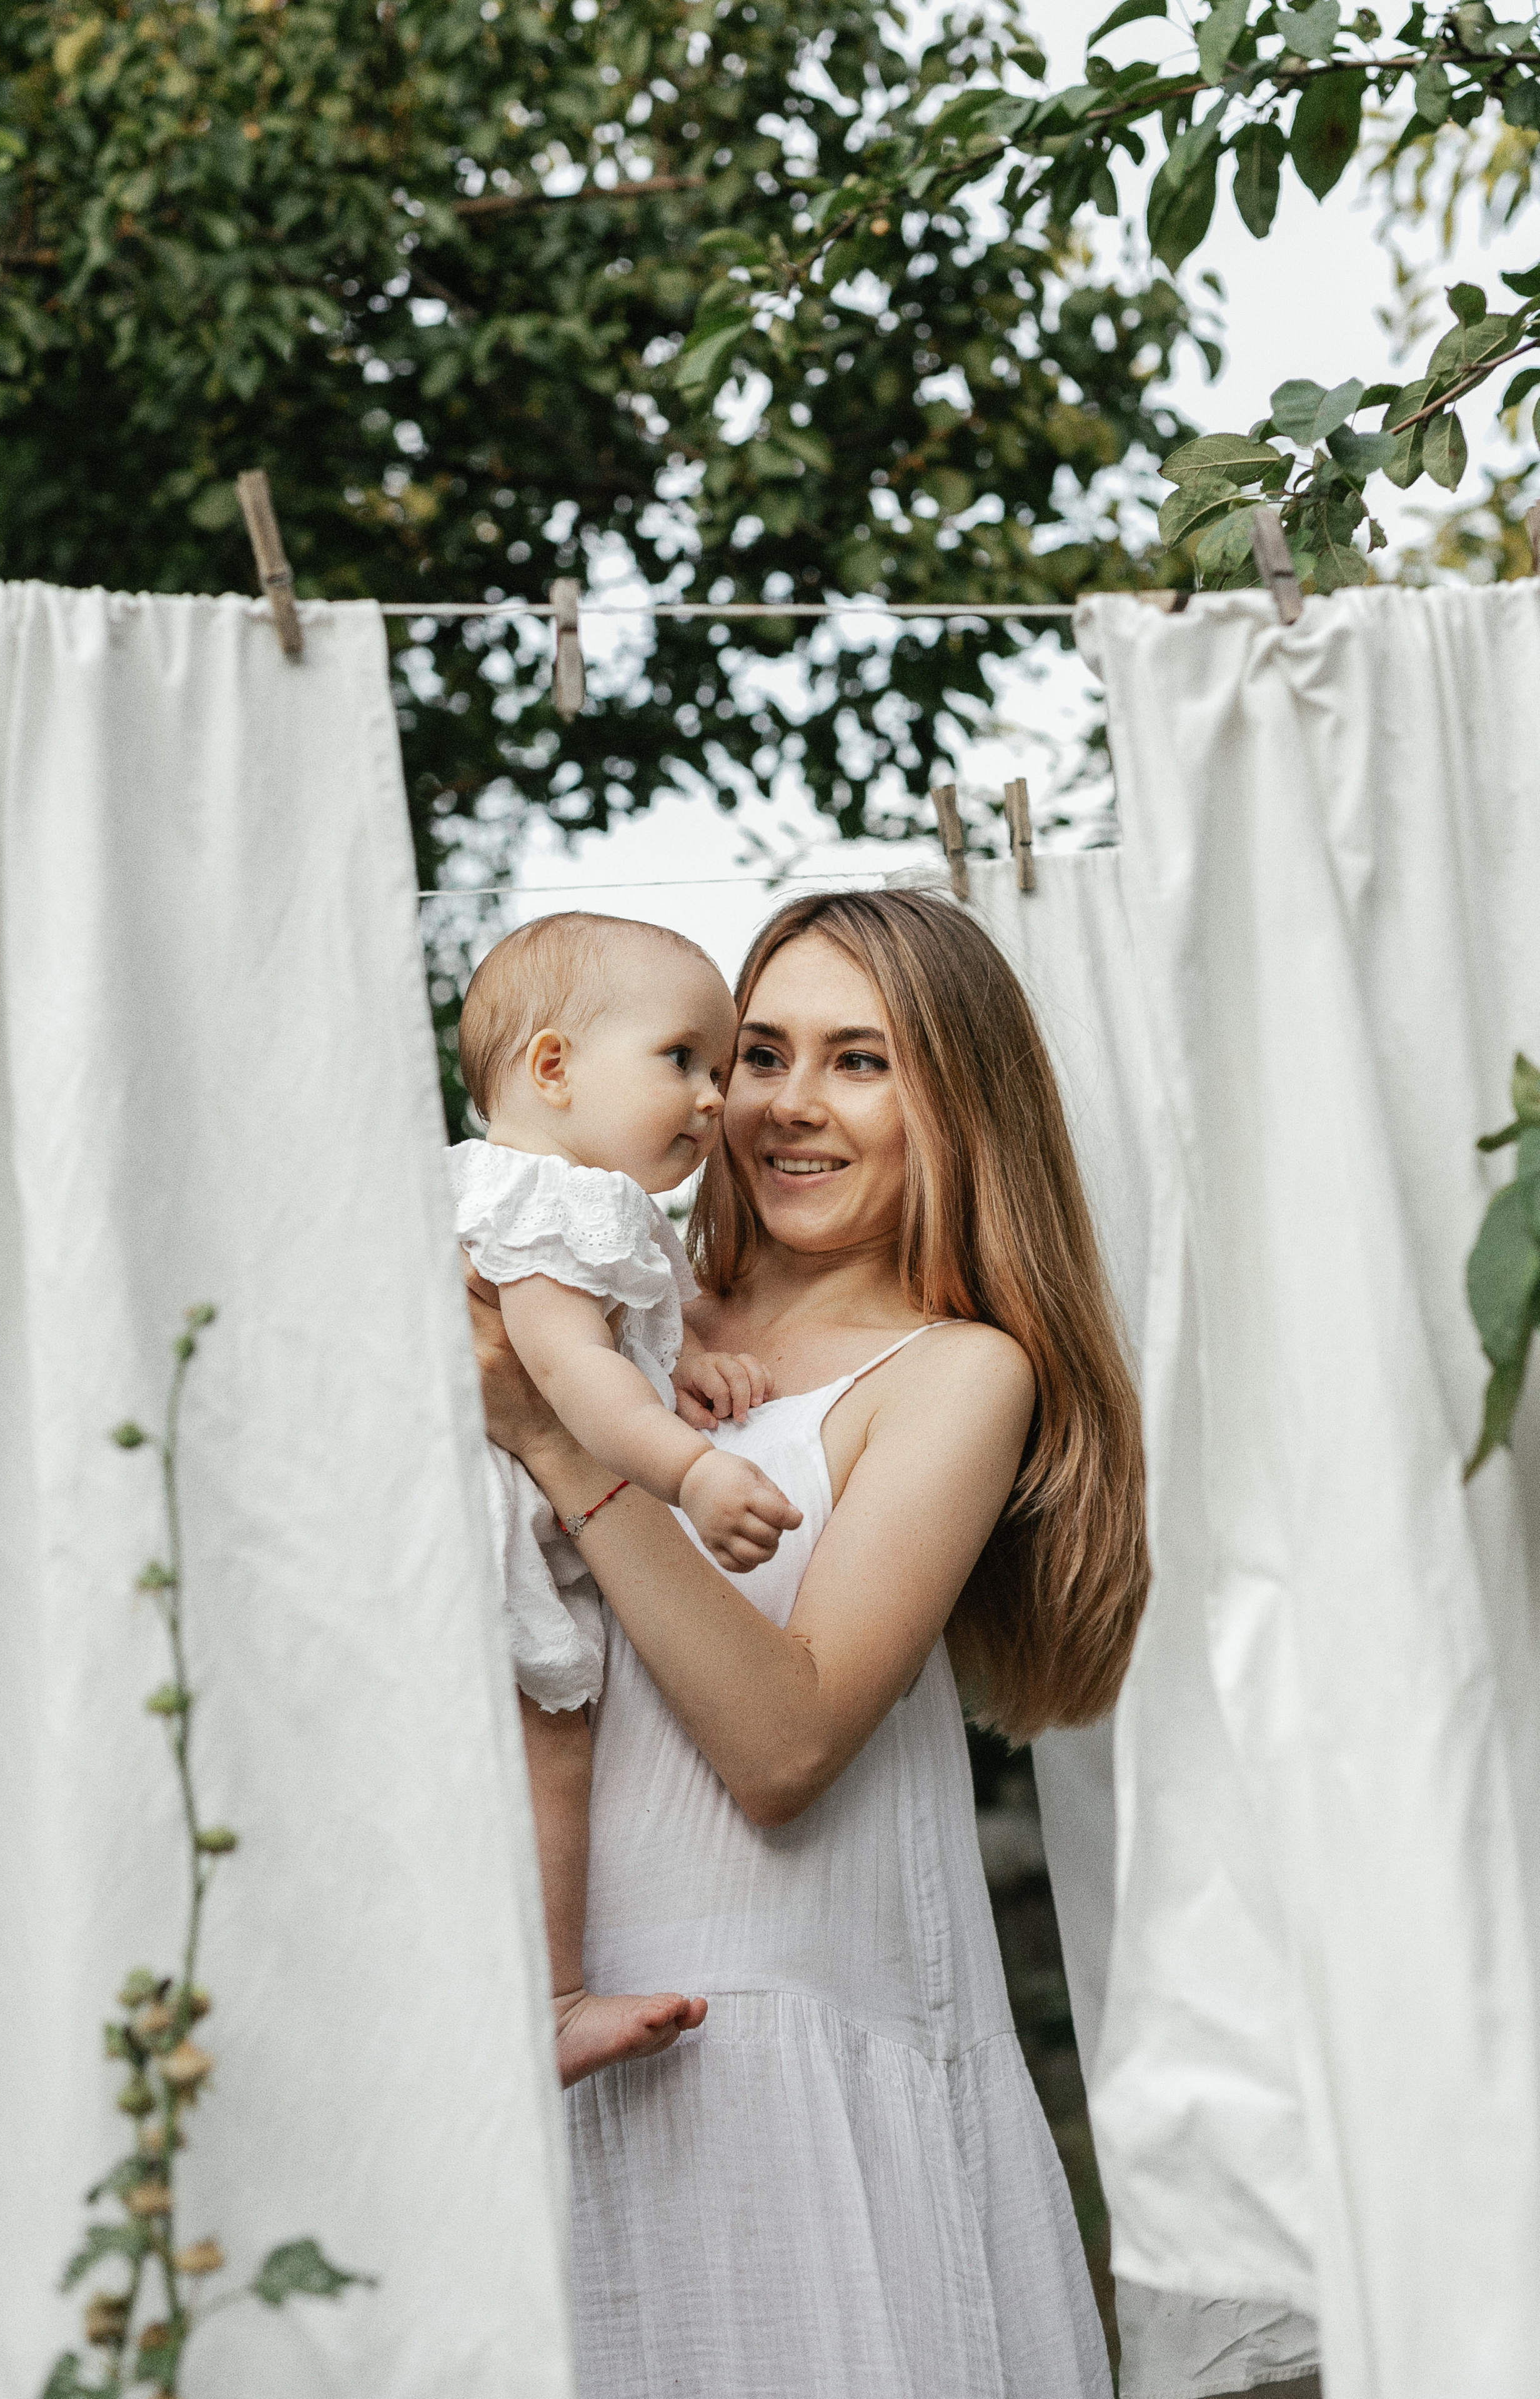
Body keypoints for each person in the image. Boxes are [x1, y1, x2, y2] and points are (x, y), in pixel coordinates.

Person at [469, 888, 1149, 2399]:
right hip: (520, 2031)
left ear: (956, 1101)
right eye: (757, 1050)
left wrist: (561, 1446)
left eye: (858, 1061)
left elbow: (784, 1745)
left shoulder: (955, 1375)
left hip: (763, 2058)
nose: (778, 1104)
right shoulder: (614, 1321)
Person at [448, 913, 800, 2088]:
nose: (714, 1100)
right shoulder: (562, 1206)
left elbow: (622, 1335)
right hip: (496, 1526)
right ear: (552, 1067)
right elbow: (571, 1373)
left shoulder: (535, 1200)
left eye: (720, 1069)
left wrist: (688, 1354)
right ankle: (552, 2002)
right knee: (548, 1746)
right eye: (683, 1061)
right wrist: (692, 1469)